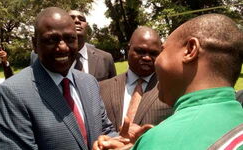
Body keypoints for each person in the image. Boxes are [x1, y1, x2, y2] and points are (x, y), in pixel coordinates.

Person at [93, 13, 243, 150]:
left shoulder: (158, 142)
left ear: (190, 50)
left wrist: (150, 143)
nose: (153, 60)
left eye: (162, 50)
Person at [0, 7, 116, 150]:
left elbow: (104, 131)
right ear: (34, 44)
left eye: (70, 39)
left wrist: (121, 141)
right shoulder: (10, 94)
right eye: (51, 40)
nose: (63, 47)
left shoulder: (89, 83)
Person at [99, 26, 172, 131]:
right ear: (128, 49)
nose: (146, 57)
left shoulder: (171, 88)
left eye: (153, 53)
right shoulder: (102, 88)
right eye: (140, 51)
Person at [68, 10, 116, 81]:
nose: (77, 21)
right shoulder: (54, 59)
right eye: (71, 18)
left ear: (87, 26)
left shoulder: (106, 58)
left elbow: (114, 89)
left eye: (82, 19)